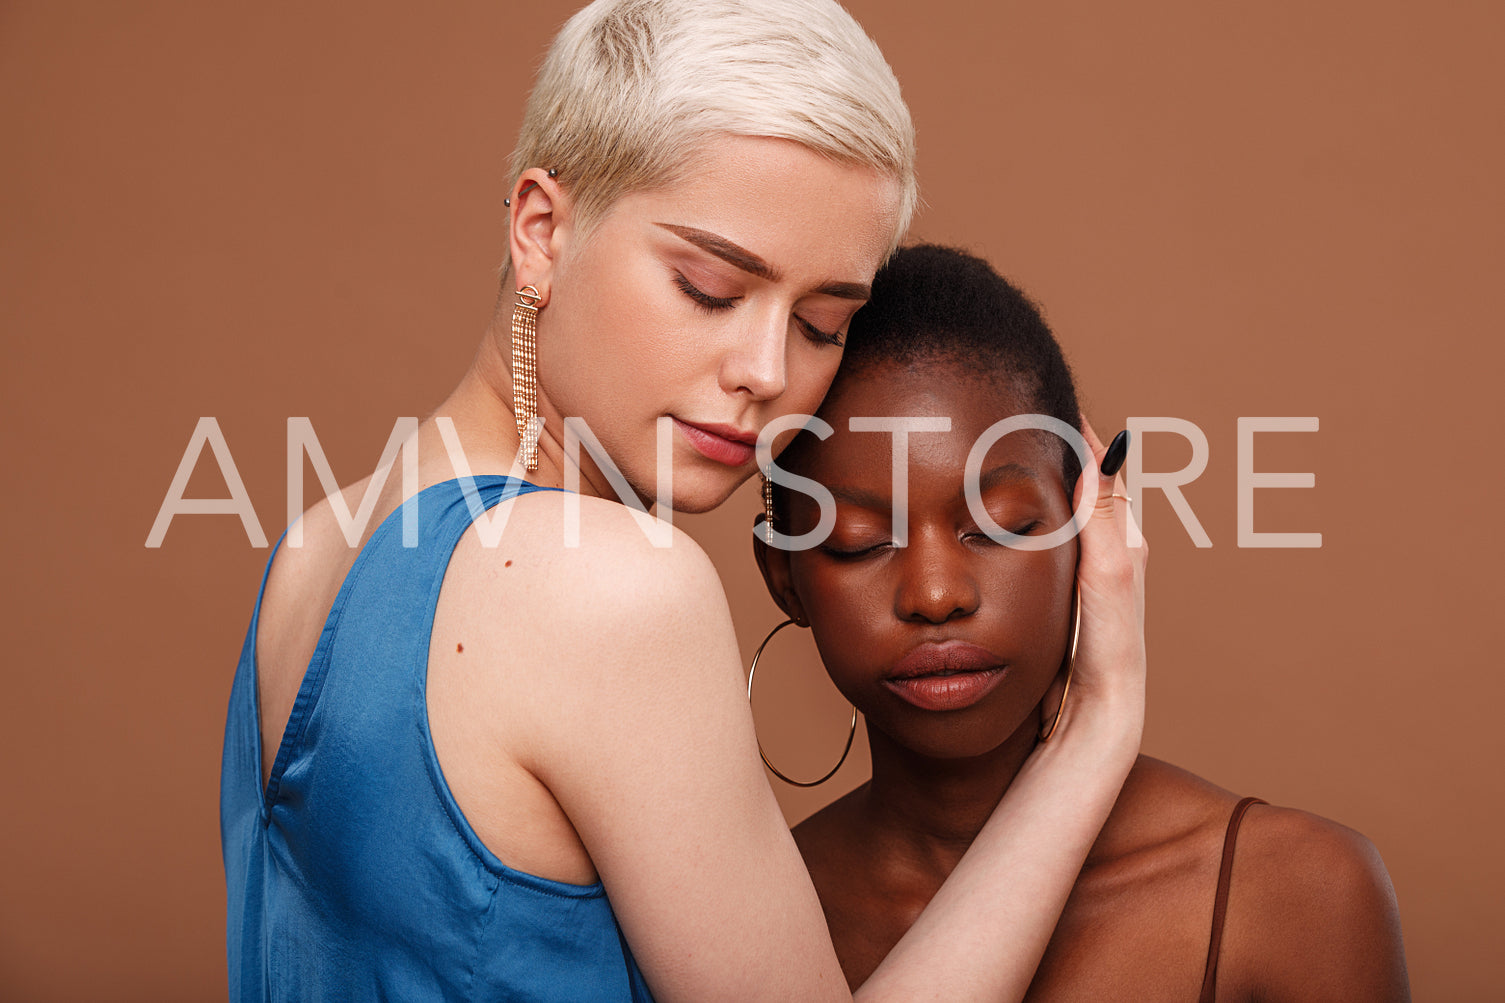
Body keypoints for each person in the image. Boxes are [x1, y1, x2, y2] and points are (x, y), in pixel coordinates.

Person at [220, 3, 1148, 1000]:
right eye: (708, 288)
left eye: (821, 323)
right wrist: (1094, 724)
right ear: (540, 230)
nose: (763, 371)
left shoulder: (314, 547)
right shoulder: (612, 586)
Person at [755, 244, 1411, 1002]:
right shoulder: (742, 923)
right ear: (785, 580)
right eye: (859, 542)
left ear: (1089, 532)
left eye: (998, 527)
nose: (935, 594)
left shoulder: (1291, 892)